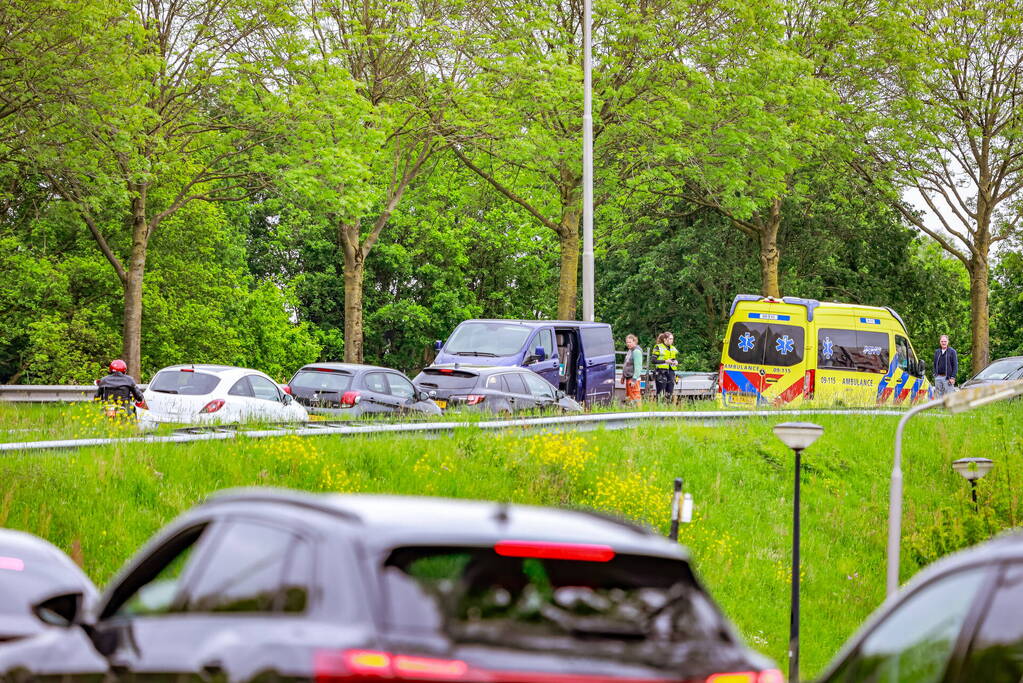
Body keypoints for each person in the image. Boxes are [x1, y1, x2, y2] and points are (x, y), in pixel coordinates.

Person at [650, 332, 679, 400]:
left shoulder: (673, 348)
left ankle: (668, 409)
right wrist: (665, 361)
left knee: (669, 393)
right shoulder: (658, 347)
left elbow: (675, 359)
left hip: (671, 372)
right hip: (661, 372)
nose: (671, 340)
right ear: (665, 339)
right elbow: (653, 360)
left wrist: (676, 362)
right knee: (661, 393)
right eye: (670, 339)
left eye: (672, 339)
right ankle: (659, 408)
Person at [622, 334, 644, 404]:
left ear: (634, 342)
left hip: (633, 379)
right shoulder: (630, 351)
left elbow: (638, 367)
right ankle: (630, 413)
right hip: (628, 378)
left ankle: (638, 413)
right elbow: (626, 364)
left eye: (630, 342)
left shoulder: (636, 351)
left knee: (635, 398)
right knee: (629, 398)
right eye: (627, 342)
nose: (628, 344)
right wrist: (623, 376)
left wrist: (634, 379)